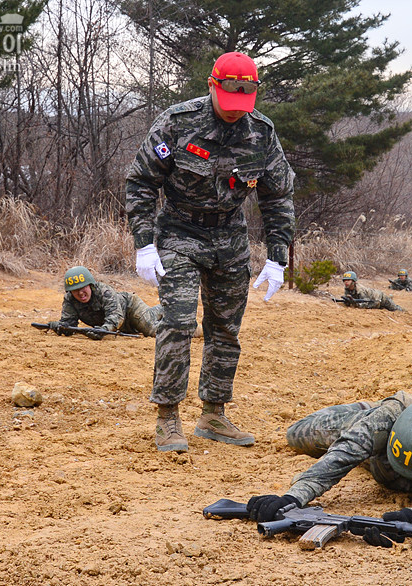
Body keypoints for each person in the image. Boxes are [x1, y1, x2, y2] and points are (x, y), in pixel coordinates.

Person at [124, 51, 295, 453]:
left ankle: (213, 414)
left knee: (225, 328)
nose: (235, 112)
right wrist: (145, 243)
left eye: (244, 103)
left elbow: (278, 196)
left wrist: (277, 256)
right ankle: (167, 417)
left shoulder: (261, 133)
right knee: (179, 323)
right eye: (228, 101)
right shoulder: (178, 123)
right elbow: (141, 182)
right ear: (211, 85)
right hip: (179, 230)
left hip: (230, 237)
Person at [245, 376, 412, 545]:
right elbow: (344, 453)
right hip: (374, 431)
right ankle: (365, 409)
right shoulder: (391, 417)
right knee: (297, 434)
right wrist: (293, 498)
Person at [47, 266, 164, 338]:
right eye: (75, 290)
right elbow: (70, 326)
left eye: (83, 288)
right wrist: (60, 326)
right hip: (122, 327)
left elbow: (116, 316)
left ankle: (170, 309)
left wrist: (104, 330)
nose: (80, 293)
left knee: (152, 330)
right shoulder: (70, 299)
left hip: (130, 309)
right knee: (148, 319)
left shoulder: (104, 291)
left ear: (90, 285)